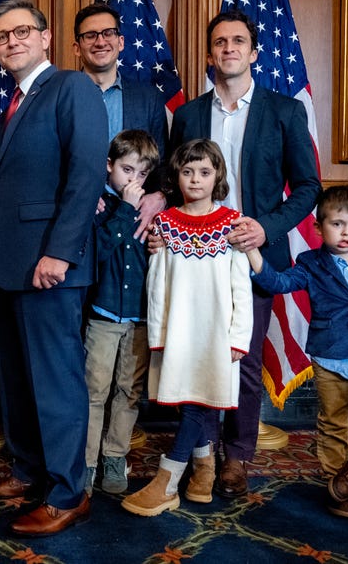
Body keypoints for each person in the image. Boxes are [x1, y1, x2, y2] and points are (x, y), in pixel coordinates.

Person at [0, 0, 108, 537]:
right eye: (1, 36)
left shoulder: (72, 89)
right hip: (8, 266)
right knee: (17, 381)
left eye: (22, 31)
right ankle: (29, 474)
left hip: (50, 265)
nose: (12, 41)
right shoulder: (10, 106)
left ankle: (68, 493)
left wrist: (61, 253)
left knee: (55, 383)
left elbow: (86, 172)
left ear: (46, 39)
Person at [164, 9, 321, 498]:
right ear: (209, 54)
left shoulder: (284, 111)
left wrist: (265, 228)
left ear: (254, 53)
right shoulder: (189, 115)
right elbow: (174, 184)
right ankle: (203, 454)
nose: (228, 48)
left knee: (244, 361)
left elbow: (309, 186)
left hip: (252, 256)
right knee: (200, 355)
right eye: (219, 42)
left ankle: (238, 457)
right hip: (196, 255)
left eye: (237, 41)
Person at [246, 185, 348, 519]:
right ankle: (338, 486)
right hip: (330, 358)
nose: (346, 232)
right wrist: (252, 252)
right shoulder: (311, 263)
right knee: (335, 425)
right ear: (320, 228)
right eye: (337, 224)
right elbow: (277, 284)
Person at [122, 139, 253, 517]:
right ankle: (204, 468)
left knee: (198, 401)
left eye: (205, 172)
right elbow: (157, 286)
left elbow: (240, 288)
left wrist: (238, 338)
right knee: (187, 399)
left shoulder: (232, 224)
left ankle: (167, 480)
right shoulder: (165, 225)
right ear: (176, 176)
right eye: (187, 171)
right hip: (179, 331)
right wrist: (160, 336)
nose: (196, 179)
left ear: (218, 177)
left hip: (217, 334)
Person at [81, 130, 159, 496]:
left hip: (139, 317)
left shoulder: (152, 211)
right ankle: (87, 460)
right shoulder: (96, 207)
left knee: (129, 391)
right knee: (95, 388)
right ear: (109, 166)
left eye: (142, 174)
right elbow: (96, 254)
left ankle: (115, 454)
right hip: (103, 313)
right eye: (127, 170)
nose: (133, 180)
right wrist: (125, 208)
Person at [72, 2, 168, 236]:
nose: (101, 41)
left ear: (121, 42)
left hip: (133, 220)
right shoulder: (62, 96)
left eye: (108, 33)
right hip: (76, 218)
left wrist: (161, 197)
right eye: (90, 35)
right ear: (77, 47)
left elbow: (162, 164)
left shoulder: (149, 98)